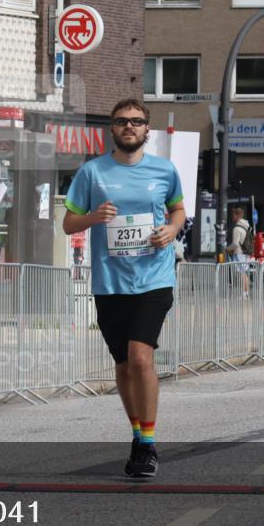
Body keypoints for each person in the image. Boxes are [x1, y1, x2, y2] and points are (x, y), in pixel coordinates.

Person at [62, 98, 186, 478]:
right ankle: (137, 433)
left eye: (136, 121)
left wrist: (172, 230)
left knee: (140, 357)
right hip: (110, 282)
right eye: (121, 121)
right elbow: (68, 224)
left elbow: (178, 210)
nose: (129, 126)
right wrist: (93, 217)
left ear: (147, 129)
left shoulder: (164, 170)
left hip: (154, 278)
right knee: (123, 364)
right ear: (112, 129)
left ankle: (147, 444)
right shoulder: (92, 172)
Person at [226, 207, 252, 296]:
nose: (232, 217)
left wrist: (227, 249)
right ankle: (246, 293)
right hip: (245, 253)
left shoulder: (236, 228)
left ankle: (244, 294)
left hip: (239, 254)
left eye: (233, 215)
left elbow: (235, 244)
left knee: (241, 274)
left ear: (237, 216)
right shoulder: (246, 226)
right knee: (245, 274)